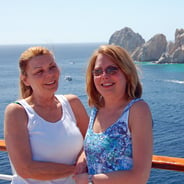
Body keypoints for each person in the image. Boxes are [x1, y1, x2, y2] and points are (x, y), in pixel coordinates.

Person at [4, 46, 89, 183]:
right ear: (25, 79)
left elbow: (91, 144)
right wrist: (77, 170)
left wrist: (84, 158)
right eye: (39, 72)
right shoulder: (17, 112)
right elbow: (25, 169)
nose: (49, 74)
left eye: (52, 67)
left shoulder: (73, 103)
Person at [73, 45, 153, 184]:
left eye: (112, 69)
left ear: (127, 73)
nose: (104, 75)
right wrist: (83, 158)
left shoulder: (137, 110)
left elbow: (140, 176)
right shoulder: (96, 110)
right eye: (98, 72)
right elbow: (97, 146)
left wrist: (90, 180)